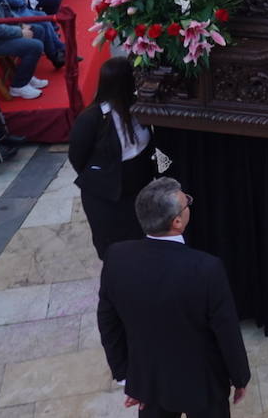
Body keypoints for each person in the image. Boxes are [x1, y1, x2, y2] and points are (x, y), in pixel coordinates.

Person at [97, 178, 251, 418]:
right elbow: (227, 331)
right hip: (204, 384)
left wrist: (128, 377)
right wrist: (240, 377)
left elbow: (108, 322)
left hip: (149, 382)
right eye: (186, 202)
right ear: (177, 221)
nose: (189, 203)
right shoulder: (207, 269)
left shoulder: (116, 257)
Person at [69, 57, 157, 260]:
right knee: (115, 248)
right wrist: (100, 175)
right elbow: (77, 157)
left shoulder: (139, 108)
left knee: (142, 243)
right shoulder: (91, 118)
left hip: (139, 190)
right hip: (107, 196)